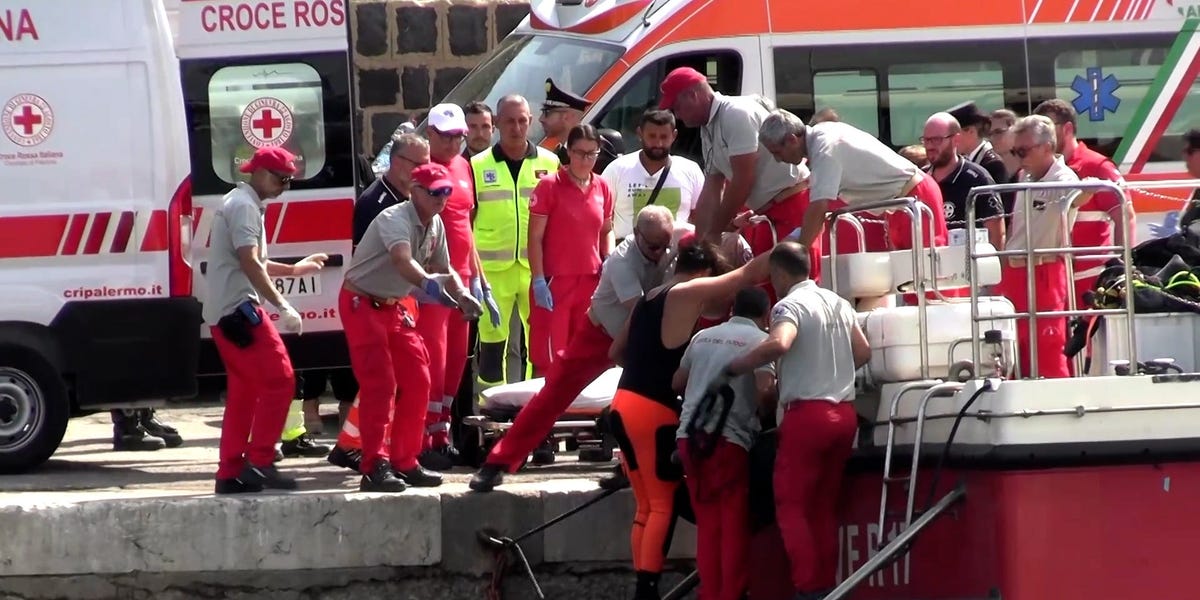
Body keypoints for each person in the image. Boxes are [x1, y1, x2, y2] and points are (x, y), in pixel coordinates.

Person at [469, 205, 677, 492]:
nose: (661, 253)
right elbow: (641, 312)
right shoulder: (621, 262)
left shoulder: (672, 243)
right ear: (638, 235)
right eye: (654, 247)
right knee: (553, 396)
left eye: (666, 246)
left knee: (644, 402)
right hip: (601, 334)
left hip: (641, 337)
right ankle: (497, 463)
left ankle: (631, 467)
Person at [608, 242, 772, 600]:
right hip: (654, 411)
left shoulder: (650, 296)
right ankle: (647, 590)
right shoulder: (688, 291)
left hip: (622, 404)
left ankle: (642, 584)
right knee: (664, 504)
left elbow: (615, 352)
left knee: (646, 506)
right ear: (704, 273)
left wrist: (646, 366)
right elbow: (746, 275)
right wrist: (789, 249)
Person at [718, 242, 872, 600]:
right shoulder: (837, 302)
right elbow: (862, 351)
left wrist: (735, 366)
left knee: (792, 506)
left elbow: (779, 344)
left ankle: (808, 589)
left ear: (780, 274)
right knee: (823, 508)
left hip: (807, 417)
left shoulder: (790, 306)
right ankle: (827, 587)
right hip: (844, 414)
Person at [340, 162, 483, 492]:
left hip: (392, 306)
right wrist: (428, 284)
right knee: (381, 385)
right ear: (415, 191)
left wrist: (462, 296)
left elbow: (445, 268)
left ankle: (406, 460)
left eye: (446, 192)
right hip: (363, 303)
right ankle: (374, 465)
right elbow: (403, 260)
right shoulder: (395, 218)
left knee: (419, 379)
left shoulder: (435, 224)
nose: (442, 199)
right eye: (435, 193)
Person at [205, 146, 325, 494]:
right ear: (257, 172)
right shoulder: (243, 207)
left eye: (289, 180)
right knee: (281, 380)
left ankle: (229, 473)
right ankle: (259, 461)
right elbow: (249, 262)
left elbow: (253, 259)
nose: (285, 185)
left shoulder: (240, 203)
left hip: (224, 313)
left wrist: (291, 269)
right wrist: (283, 305)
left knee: (245, 393)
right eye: (280, 178)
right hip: (239, 311)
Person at [658, 68, 821, 280]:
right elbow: (712, 186)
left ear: (693, 95)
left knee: (795, 283)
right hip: (767, 214)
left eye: (677, 107)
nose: (677, 115)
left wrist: (714, 232)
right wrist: (701, 244)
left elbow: (743, 179)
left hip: (792, 207)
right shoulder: (708, 127)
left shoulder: (735, 113)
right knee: (765, 286)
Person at [672, 287, 775, 600]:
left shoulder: (702, 337)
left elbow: (677, 381)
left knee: (708, 526)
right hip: (727, 440)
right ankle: (730, 595)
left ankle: (710, 593)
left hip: (689, 439)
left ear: (733, 309)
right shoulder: (760, 341)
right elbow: (765, 391)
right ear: (766, 316)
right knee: (733, 526)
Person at [417, 104, 501, 471]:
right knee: (431, 364)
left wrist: (480, 281)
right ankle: (421, 439)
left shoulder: (465, 168)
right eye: (447, 136)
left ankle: (441, 436)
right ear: (430, 134)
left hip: (465, 281)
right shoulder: (420, 173)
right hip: (436, 284)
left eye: (459, 137)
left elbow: (466, 228)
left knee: (454, 366)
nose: (454, 143)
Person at [758, 109, 949, 255]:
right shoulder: (822, 137)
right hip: (902, 200)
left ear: (792, 140)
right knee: (909, 280)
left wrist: (798, 255)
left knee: (930, 273)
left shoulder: (824, 148)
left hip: (914, 196)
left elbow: (818, 207)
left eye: (777, 152)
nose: (777, 160)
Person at [471, 95, 560, 394]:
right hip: (492, 271)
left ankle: (536, 403)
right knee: (493, 346)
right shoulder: (477, 165)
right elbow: (467, 220)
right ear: (496, 123)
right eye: (509, 120)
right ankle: (492, 412)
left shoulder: (549, 162)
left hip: (536, 270)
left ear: (531, 122)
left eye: (522, 120)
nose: (517, 127)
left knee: (538, 343)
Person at [999, 115, 1091, 379]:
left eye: (1024, 150)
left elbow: (1075, 196)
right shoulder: (1024, 176)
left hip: (1044, 271)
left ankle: (1055, 403)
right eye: (1015, 151)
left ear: (1048, 147)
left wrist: (1088, 190)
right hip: (1015, 273)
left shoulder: (1062, 178)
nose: (1019, 157)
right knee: (1014, 347)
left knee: (1048, 347)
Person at [528, 124, 616, 376]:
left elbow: (606, 229)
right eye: (579, 153)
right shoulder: (549, 185)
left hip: (589, 280)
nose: (585, 160)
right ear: (568, 151)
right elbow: (535, 237)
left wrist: (607, 257)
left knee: (582, 353)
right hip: (556, 281)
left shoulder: (602, 186)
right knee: (548, 357)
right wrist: (538, 280)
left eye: (592, 154)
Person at [1033, 99, 1136, 309]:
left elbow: (1125, 216)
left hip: (1091, 282)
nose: (1044, 139)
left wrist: (1121, 268)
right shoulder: (1038, 171)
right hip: (1054, 280)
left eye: (1049, 130)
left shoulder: (1096, 166)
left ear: (1068, 128)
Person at [601, 109, 705, 239]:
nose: (658, 143)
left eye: (664, 137)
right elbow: (601, 218)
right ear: (640, 133)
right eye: (652, 136)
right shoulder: (617, 169)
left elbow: (701, 218)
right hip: (628, 254)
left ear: (674, 136)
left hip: (675, 254)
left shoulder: (691, 171)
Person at [922, 112, 1005, 247]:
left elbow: (997, 233)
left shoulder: (977, 178)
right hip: (928, 263)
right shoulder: (921, 179)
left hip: (968, 264)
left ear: (956, 139)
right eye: (926, 140)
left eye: (937, 140)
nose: (930, 146)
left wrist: (993, 266)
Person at [947, 102, 1010, 189]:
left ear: (971, 131)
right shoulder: (963, 160)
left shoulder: (993, 164)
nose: (952, 140)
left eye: (954, 134)